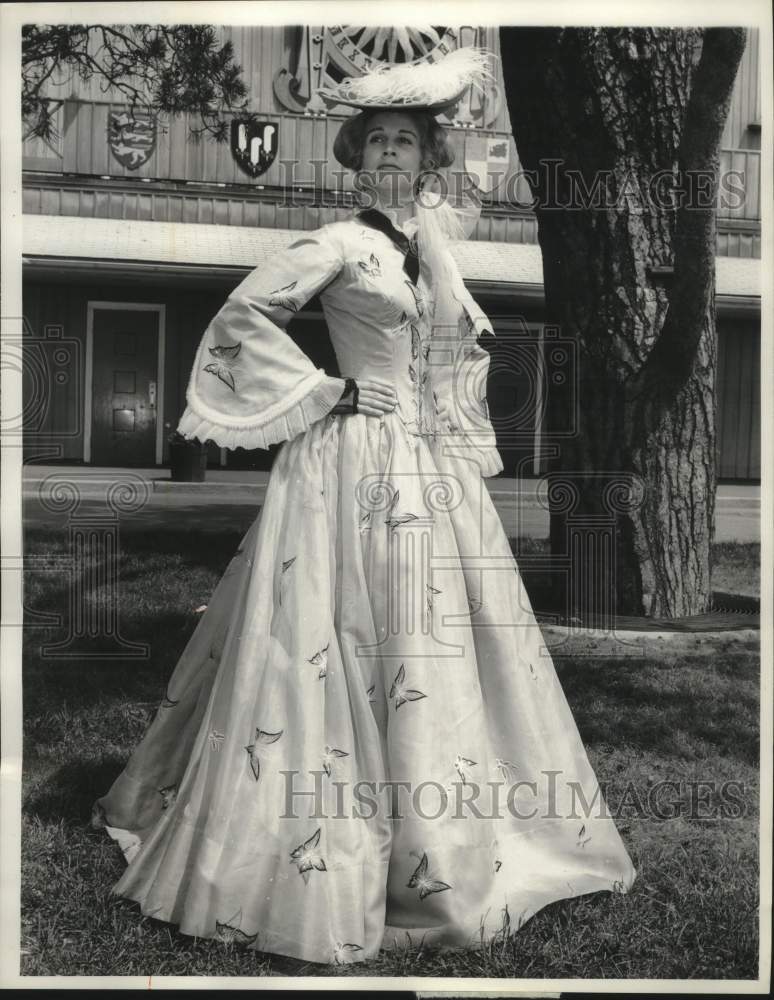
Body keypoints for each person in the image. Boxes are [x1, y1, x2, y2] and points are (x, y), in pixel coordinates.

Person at [93, 48, 636, 966]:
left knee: (437, 643)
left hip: (424, 470)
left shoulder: (430, 247)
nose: (391, 154)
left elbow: (455, 351)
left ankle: (445, 836)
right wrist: (326, 391)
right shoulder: (339, 243)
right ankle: (306, 834)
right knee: (331, 638)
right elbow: (241, 318)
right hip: (349, 462)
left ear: (426, 160)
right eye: (377, 139)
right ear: (357, 154)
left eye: (406, 142)